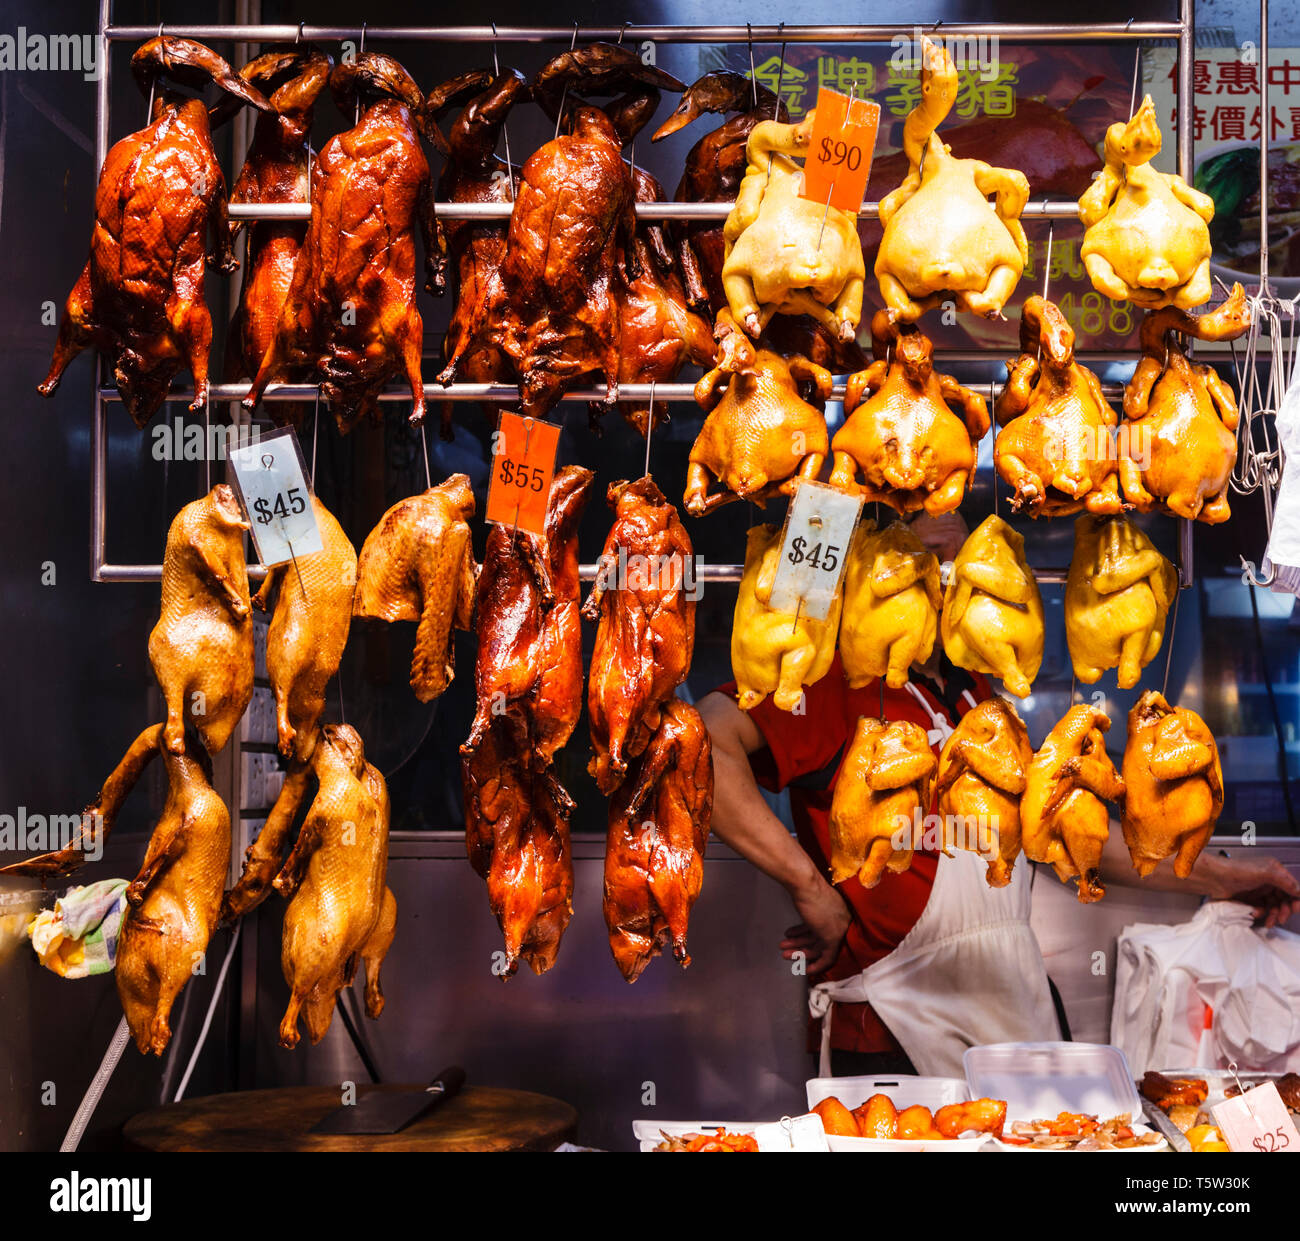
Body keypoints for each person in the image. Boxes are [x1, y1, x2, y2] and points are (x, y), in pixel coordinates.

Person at [699, 511, 1300, 1078]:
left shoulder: (979, 695)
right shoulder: (834, 681)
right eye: (927, 562)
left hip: (1010, 1008)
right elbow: (706, 744)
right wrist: (807, 887)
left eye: (962, 565)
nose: (949, 584)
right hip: (889, 1027)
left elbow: (1063, 836)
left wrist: (1226, 877)